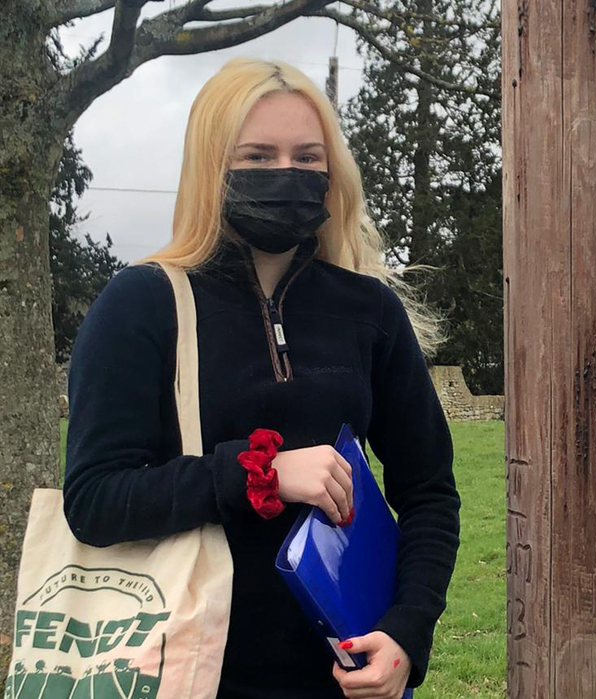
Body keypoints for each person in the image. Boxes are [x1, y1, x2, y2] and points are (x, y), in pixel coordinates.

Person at [62, 58, 461, 699]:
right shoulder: (141, 304)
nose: (287, 174)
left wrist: (407, 634)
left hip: (344, 675)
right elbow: (93, 499)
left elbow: (430, 494)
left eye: (308, 158)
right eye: (258, 155)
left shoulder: (370, 311)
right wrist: (260, 474)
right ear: (211, 167)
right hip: (184, 670)